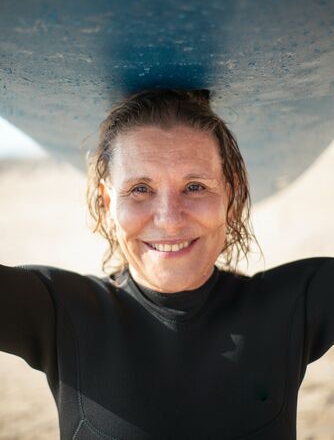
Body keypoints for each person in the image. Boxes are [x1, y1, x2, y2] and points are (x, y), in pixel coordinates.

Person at [0, 88, 333, 440]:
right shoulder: (60, 311)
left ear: (230, 198)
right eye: (141, 189)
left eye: (194, 186)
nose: (170, 220)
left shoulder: (294, 303)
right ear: (107, 202)